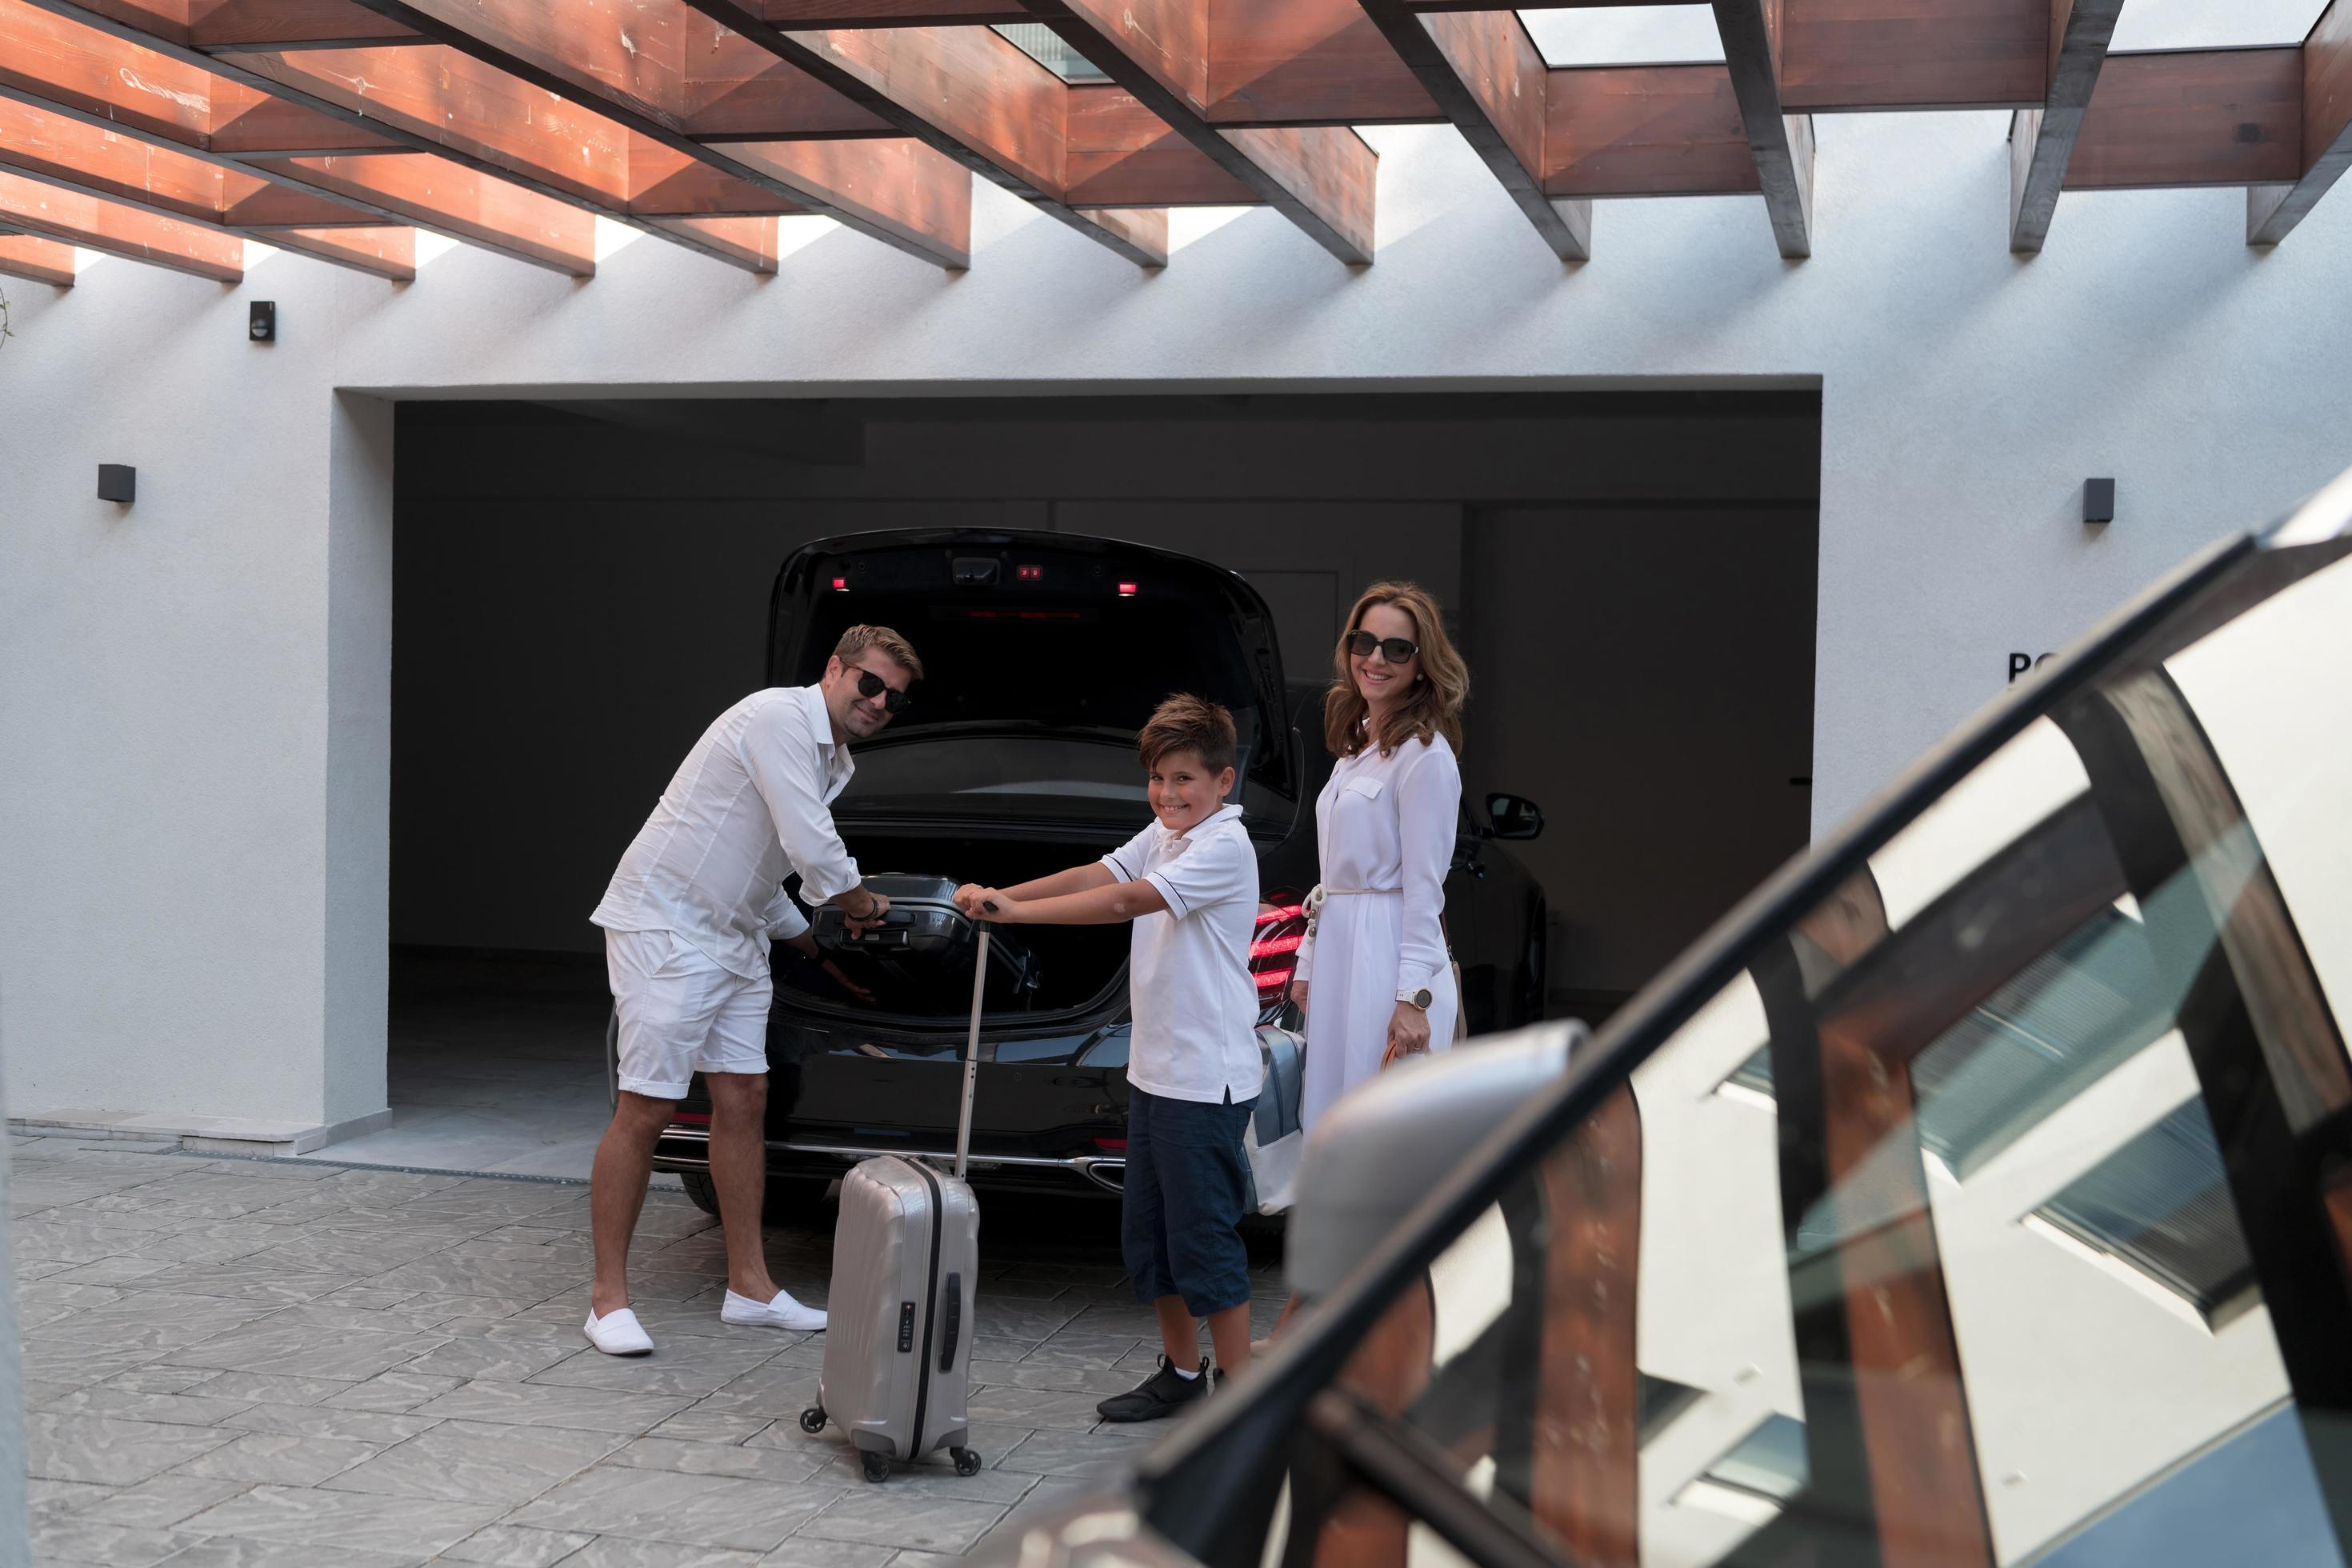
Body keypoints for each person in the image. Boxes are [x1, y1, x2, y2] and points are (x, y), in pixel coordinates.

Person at [581, 625, 921, 1357]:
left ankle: (751, 1289)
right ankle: (607, 1301)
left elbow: (758, 853)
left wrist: (801, 932)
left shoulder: (837, 759)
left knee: (743, 1099)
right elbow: (806, 838)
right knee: (648, 1104)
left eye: (893, 698)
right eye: (870, 682)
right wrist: (857, 901)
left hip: (733, 936)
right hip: (665, 926)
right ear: (834, 669)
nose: (879, 701)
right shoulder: (776, 717)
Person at [954, 695, 1262, 1419]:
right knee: (1149, 1235)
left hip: (1203, 1079)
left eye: (1185, 779)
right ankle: (1182, 1376)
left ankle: (1246, 1402)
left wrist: (1021, 918)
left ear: (1224, 782)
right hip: (1156, 1073)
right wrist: (1005, 896)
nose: (1168, 793)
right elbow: (1099, 874)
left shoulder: (1224, 846)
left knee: (1203, 1238)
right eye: (1158, 778)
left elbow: (1126, 903)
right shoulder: (1166, 832)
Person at [1294, 582, 1469, 1134]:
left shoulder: (1425, 756)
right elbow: (1332, 879)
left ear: (1422, 665)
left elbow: (1425, 888)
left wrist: (1412, 998)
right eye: (1364, 642)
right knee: (1332, 1125)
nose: (1375, 658)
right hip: (1341, 952)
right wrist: (1307, 959)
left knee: (1383, 1131)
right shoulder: (1357, 748)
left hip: (1387, 957)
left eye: (1397, 648)